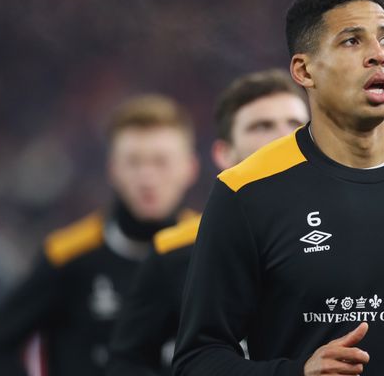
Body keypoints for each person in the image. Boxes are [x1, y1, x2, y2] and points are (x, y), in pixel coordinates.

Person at [173, 0, 384, 376]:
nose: (378, 55)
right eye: (352, 41)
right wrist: (296, 373)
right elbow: (198, 358)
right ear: (304, 70)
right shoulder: (245, 193)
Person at [0, 94, 200, 376]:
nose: (147, 177)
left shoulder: (212, 249)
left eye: (161, 162)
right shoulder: (68, 254)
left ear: (189, 168)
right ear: (113, 169)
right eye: (134, 162)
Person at [107, 69, 309, 375]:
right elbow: (128, 360)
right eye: (262, 125)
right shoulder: (175, 252)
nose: (284, 136)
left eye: (295, 123)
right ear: (224, 154)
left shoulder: (355, 232)